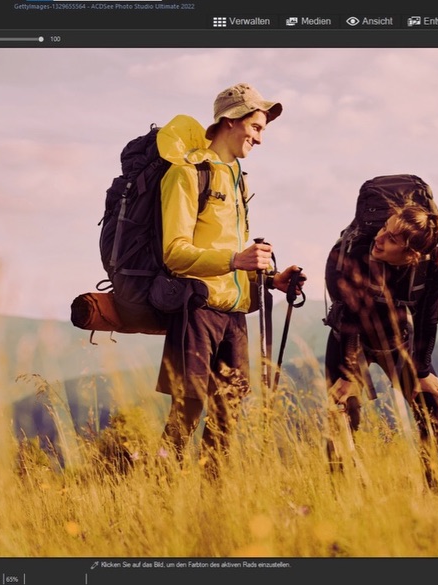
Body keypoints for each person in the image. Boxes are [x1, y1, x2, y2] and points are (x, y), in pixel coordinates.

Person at [154, 82, 306, 472]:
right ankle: (157, 484)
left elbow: (233, 252)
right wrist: (236, 259)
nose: (259, 138)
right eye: (255, 127)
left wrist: (272, 279)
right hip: (197, 307)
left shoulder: (238, 177)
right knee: (188, 409)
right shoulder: (187, 174)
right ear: (230, 121)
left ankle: (215, 496)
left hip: (235, 313)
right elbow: (174, 253)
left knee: (228, 413)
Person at [323, 203, 438, 489]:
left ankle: (435, 491)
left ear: (412, 255)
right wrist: (348, 375)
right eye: (384, 228)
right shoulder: (357, 251)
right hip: (349, 337)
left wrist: (422, 371)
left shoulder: (435, 265)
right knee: (341, 412)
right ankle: (342, 494)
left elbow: (428, 319)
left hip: (397, 339)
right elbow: (350, 316)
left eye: (391, 239)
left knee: (433, 409)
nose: (379, 238)